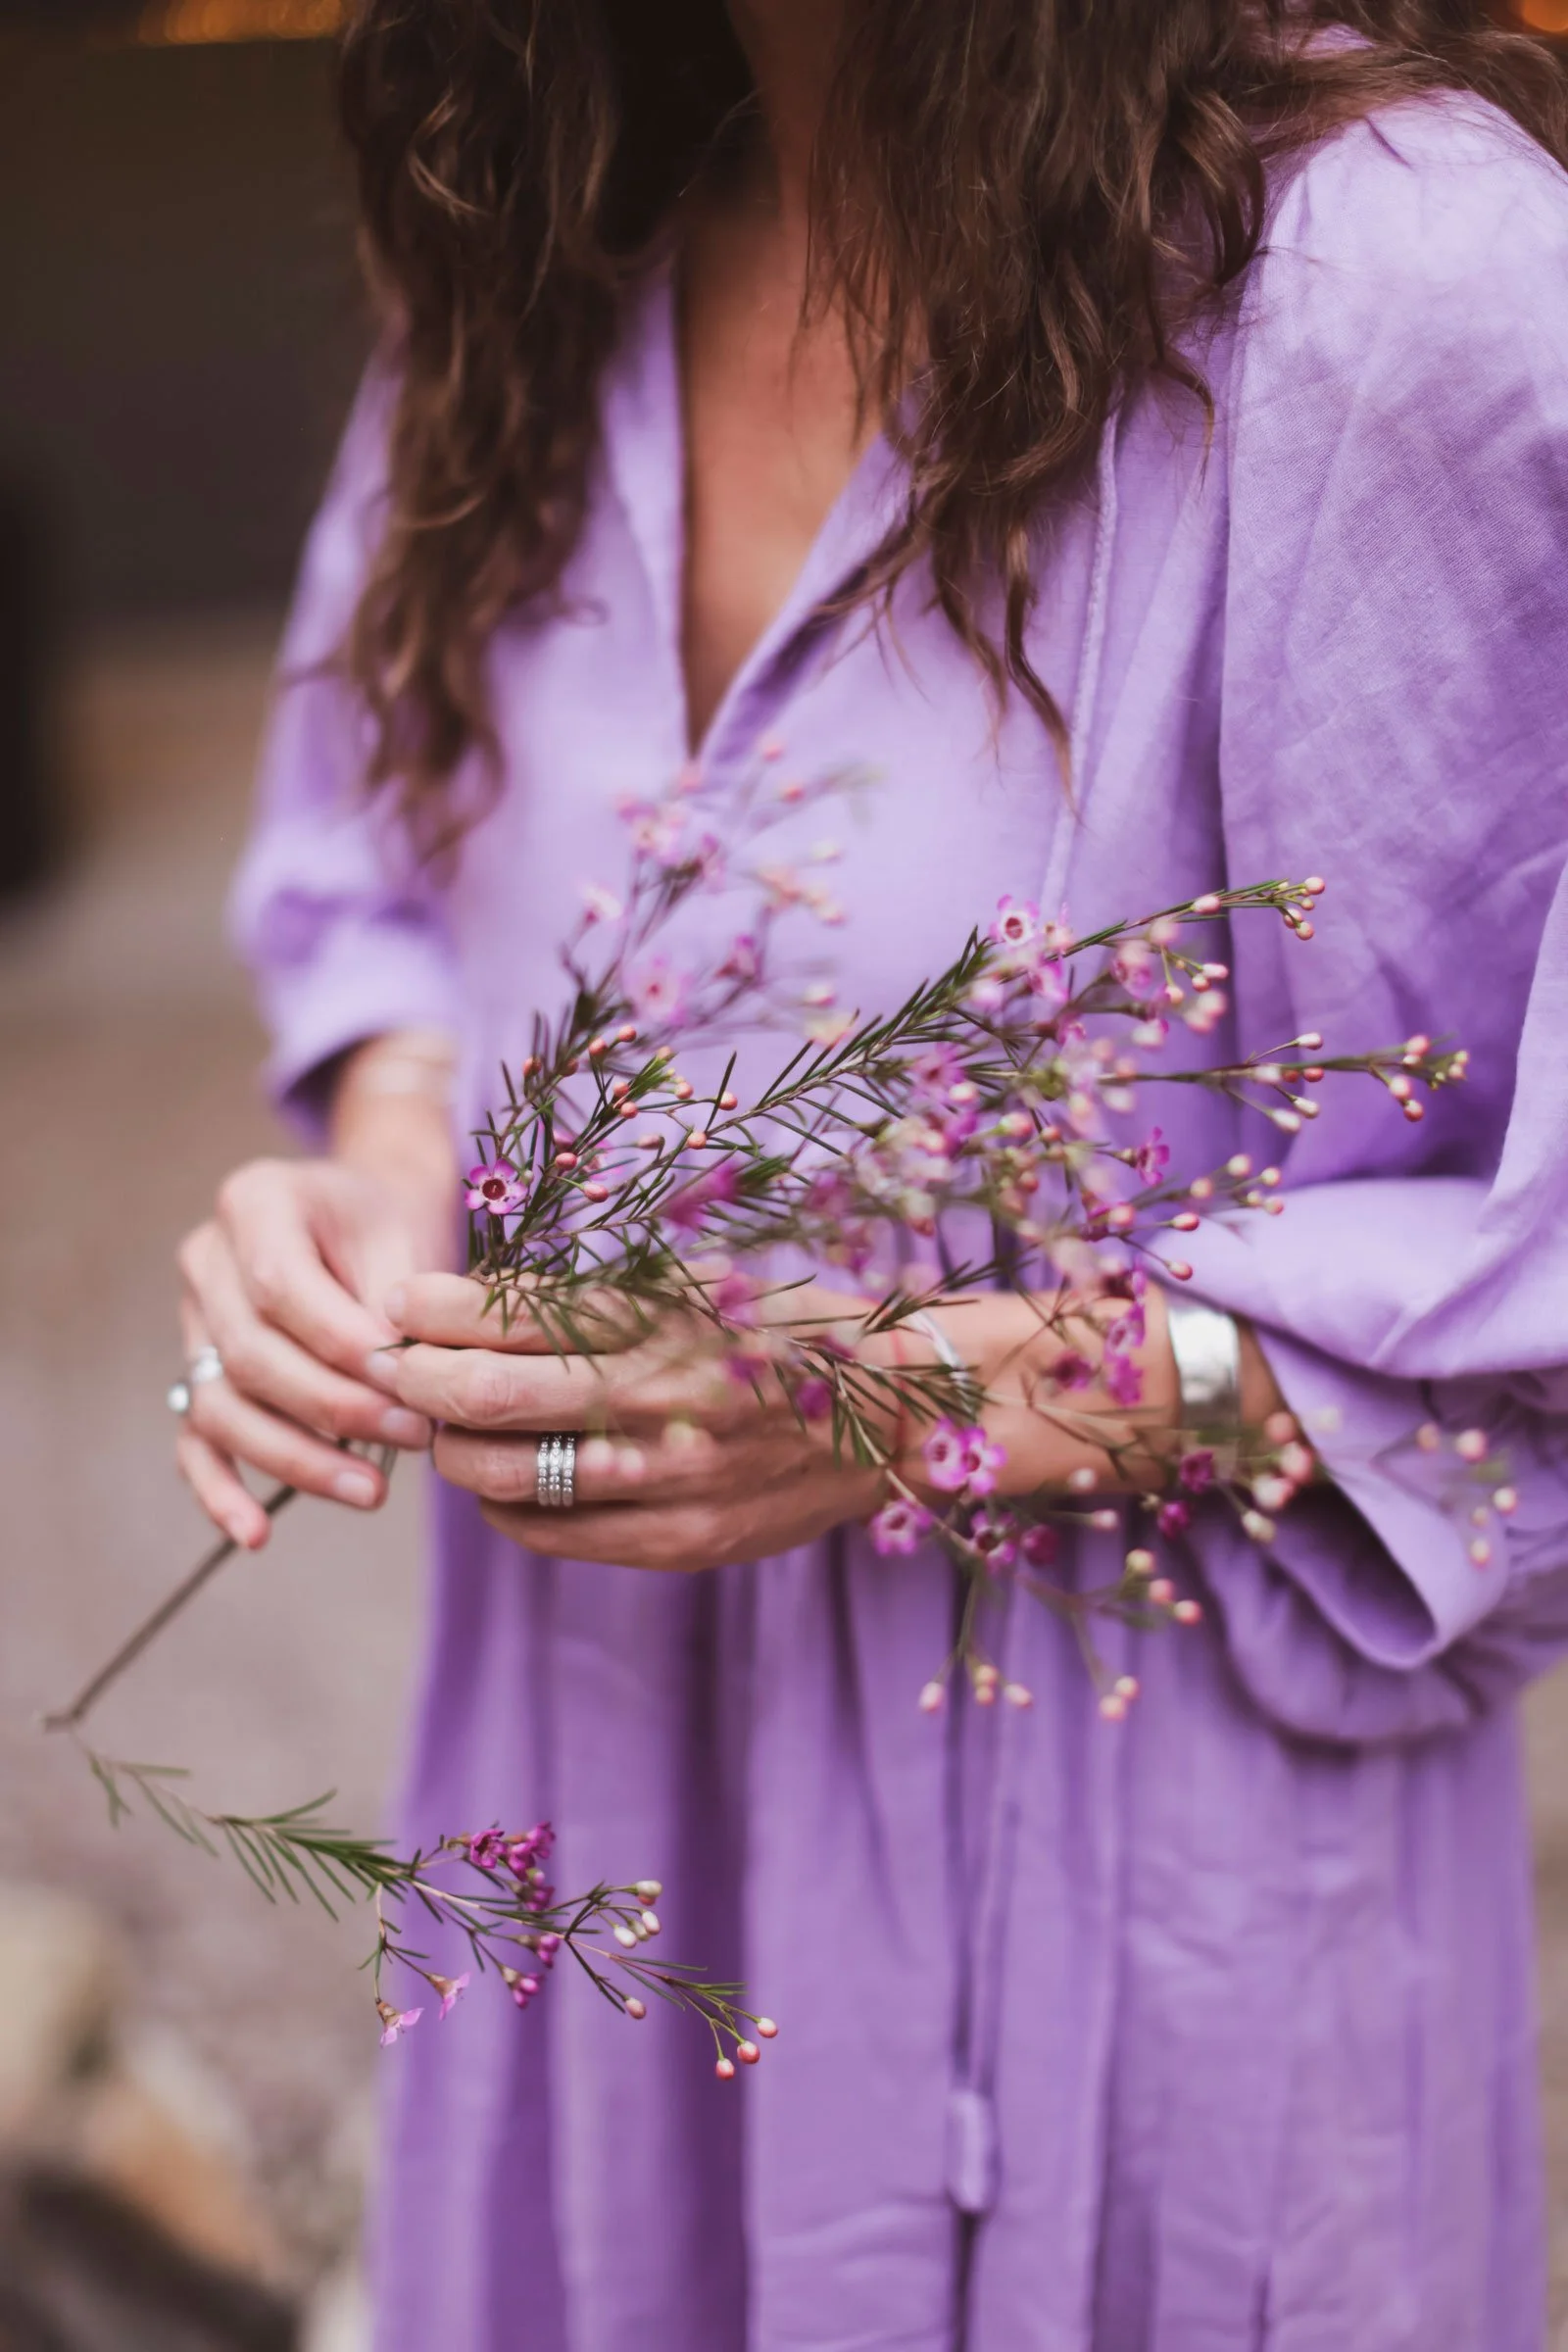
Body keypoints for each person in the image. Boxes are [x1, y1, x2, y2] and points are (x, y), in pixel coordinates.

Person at [173, 2, 1568, 2343]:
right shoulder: (534, 209)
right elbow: (377, 870)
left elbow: (1516, 1313)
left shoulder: (1390, 289)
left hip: (1128, 1931)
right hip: (593, 1843)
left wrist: (922, 1395)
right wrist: (382, 1182)